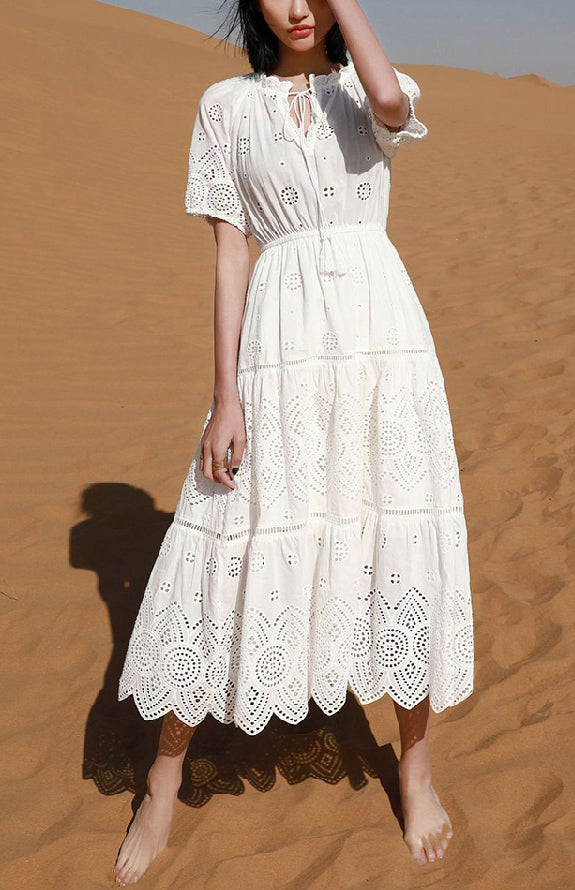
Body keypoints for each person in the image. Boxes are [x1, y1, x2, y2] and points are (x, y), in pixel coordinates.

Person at [113, 0, 474, 884]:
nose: (299, 7)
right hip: (279, 348)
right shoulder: (226, 108)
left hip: (381, 343)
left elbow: (391, 105)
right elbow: (231, 253)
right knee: (227, 535)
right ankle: (163, 780)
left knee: (398, 536)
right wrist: (224, 398)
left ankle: (416, 769)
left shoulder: (366, 89)